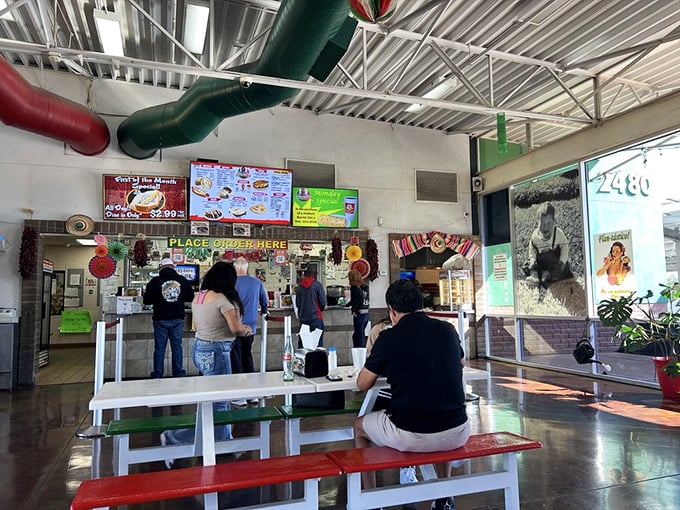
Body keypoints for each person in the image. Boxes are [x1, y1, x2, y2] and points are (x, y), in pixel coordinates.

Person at [353, 279, 469, 510]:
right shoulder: (447, 329)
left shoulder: (388, 338)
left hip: (411, 433)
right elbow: (462, 361)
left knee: (359, 426)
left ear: (392, 311)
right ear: (421, 304)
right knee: (440, 417)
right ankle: (444, 498)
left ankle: (371, 500)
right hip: (458, 430)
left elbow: (362, 384)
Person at [160, 261, 252, 466]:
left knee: (213, 401)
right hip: (217, 351)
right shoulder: (224, 300)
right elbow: (235, 329)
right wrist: (246, 329)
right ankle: (176, 437)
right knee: (220, 402)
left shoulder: (199, 296)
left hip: (199, 349)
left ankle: (223, 442)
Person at [144, 258, 195, 378]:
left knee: (160, 348)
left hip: (160, 318)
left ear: (161, 267)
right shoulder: (182, 280)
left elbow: (147, 300)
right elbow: (190, 297)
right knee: (177, 347)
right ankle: (178, 373)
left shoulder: (155, 281)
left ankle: (157, 373)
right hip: (177, 318)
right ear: (173, 267)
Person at [231, 256, 268, 406]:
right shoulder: (256, 282)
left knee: (236, 358)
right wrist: (264, 312)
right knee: (247, 357)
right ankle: (252, 394)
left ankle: (239, 395)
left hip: (234, 326)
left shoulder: (231, 283)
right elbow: (264, 302)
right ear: (246, 267)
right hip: (251, 327)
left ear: (235, 267)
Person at [523, 202, 572, 288]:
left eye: (549, 223)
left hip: (553, 261)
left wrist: (562, 260)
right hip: (541, 261)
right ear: (538, 222)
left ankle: (547, 275)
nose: (545, 227)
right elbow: (532, 248)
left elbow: (565, 246)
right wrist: (532, 259)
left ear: (554, 222)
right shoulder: (535, 235)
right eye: (542, 223)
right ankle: (535, 276)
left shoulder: (558, 233)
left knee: (562, 268)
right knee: (527, 265)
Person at [295, 269, 327, 347]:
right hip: (316, 317)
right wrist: (320, 309)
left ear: (305, 275)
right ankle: (317, 359)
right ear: (314, 275)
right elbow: (323, 302)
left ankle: (304, 359)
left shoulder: (299, 287)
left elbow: (297, 304)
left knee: (303, 344)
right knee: (317, 344)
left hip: (303, 319)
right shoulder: (317, 285)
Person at [347, 269, 370, 348]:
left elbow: (358, 298)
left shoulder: (354, 287)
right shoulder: (365, 287)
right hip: (366, 313)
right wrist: (348, 304)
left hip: (359, 313)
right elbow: (359, 298)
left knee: (358, 335)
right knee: (360, 334)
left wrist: (354, 310)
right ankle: (361, 351)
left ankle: (359, 354)